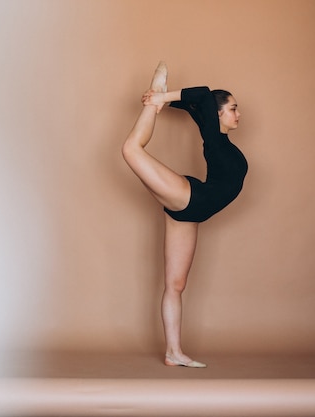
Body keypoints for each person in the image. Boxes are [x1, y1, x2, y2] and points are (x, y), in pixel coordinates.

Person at [121, 62, 248, 368]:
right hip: (191, 197)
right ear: (218, 113)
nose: (238, 114)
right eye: (233, 108)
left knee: (175, 285)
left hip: (192, 212)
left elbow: (196, 104)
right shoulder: (216, 140)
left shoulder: (215, 133)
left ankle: (173, 352)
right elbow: (203, 94)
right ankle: (158, 88)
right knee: (130, 149)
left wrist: (164, 99)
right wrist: (160, 98)